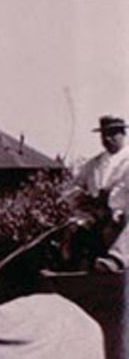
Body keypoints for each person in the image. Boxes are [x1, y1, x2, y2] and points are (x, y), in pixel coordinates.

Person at [73, 114, 129, 272]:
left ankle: (117, 260)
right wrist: (83, 197)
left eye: (113, 134)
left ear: (123, 134)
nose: (108, 139)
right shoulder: (94, 163)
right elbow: (73, 187)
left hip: (123, 213)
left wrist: (116, 205)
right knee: (75, 225)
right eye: (104, 135)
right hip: (100, 214)